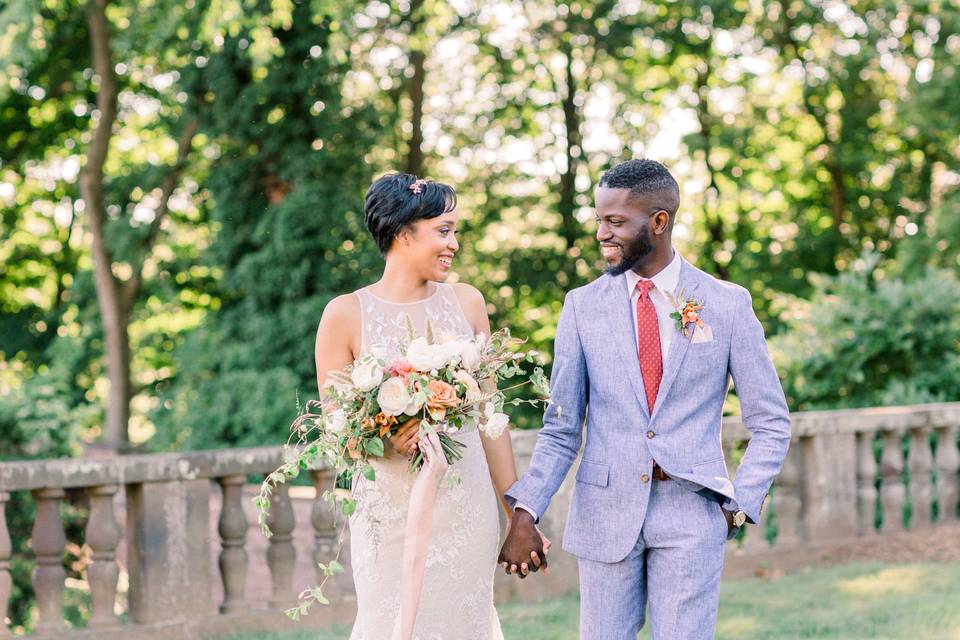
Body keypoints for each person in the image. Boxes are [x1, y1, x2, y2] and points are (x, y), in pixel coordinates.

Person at [499, 159, 792, 639]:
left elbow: (771, 422)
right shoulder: (582, 307)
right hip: (605, 509)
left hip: (693, 511)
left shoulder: (726, 303)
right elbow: (562, 427)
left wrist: (738, 506)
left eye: (615, 222)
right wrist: (524, 512)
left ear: (659, 222)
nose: (601, 233)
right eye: (599, 220)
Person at [313, 172, 548, 639]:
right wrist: (384, 440)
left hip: (465, 508)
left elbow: (491, 424)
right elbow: (339, 438)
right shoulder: (344, 315)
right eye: (444, 230)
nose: (454, 244)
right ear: (403, 233)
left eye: (455, 231)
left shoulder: (467, 303)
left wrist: (518, 515)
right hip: (388, 513)